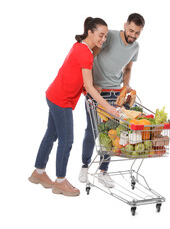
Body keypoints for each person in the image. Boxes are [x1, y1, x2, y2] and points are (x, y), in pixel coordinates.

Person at [28, 17, 119, 197]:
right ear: (90, 32)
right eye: (101, 35)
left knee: (51, 134)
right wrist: (108, 107)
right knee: (67, 140)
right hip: (62, 101)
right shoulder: (85, 53)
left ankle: (38, 172)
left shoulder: (80, 46)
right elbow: (89, 85)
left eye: (106, 36)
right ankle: (60, 182)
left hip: (54, 95)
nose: (103, 39)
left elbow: (79, 79)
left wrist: (88, 90)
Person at [79, 13, 145, 188]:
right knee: (91, 130)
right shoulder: (112, 36)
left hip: (115, 93)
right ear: (125, 25)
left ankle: (103, 171)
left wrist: (126, 85)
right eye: (131, 30)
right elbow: (92, 55)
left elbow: (128, 68)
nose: (133, 35)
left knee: (111, 133)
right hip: (97, 91)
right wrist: (91, 84)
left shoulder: (135, 47)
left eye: (137, 33)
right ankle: (85, 166)